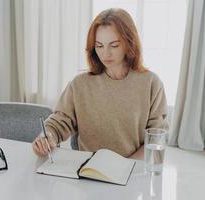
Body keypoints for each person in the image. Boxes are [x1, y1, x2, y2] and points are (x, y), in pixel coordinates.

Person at [32, 8, 169, 160]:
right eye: (99, 45)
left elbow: (156, 138)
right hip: (88, 172)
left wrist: (125, 167)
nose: (105, 53)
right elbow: (58, 123)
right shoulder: (80, 84)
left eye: (114, 45)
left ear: (129, 42)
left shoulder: (151, 84)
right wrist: (47, 137)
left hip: (132, 172)